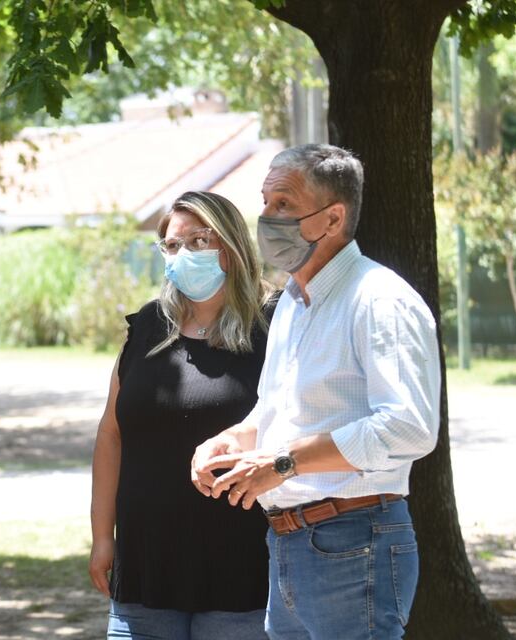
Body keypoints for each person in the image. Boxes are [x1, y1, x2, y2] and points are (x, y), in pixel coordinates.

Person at [191, 144, 440, 639]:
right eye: (264, 202)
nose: (266, 217)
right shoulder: (292, 304)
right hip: (289, 541)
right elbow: (279, 409)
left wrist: (281, 463)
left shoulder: (379, 300)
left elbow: (409, 427)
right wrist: (235, 439)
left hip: (355, 540)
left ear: (332, 218)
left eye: (283, 204)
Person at [90, 191, 277, 639]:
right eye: (172, 245)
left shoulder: (274, 325)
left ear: (230, 249)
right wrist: (102, 537)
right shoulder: (149, 326)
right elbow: (111, 434)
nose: (182, 254)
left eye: (198, 241)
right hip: (145, 568)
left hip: (241, 569)